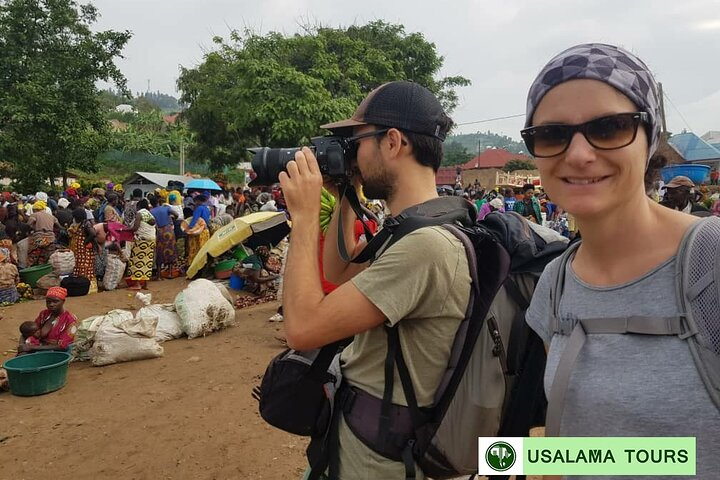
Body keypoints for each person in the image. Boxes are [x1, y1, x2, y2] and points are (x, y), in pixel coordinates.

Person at [521, 43, 720, 478]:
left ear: (650, 139)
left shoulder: (711, 265)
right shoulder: (555, 284)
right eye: (552, 134)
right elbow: (591, 447)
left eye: (610, 127)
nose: (577, 154)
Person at [279, 80, 470, 478]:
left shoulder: (425, 246)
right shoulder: (419, 225)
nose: (351, 153)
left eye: (357, 141)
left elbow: (302, 328)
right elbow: (338, 274)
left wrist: (304, 217)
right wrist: (345, 195)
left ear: (393, 142)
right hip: (369, 444)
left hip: (384, 462)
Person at [17, 286, 76, 354]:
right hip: (39, 347)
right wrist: (22, 346)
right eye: (48, 302)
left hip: (57, 353)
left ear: (63, 301)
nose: (51, 304)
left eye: (55, 301)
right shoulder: (44, 314)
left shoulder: (70, 319)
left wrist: (31, 347)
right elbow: (28, 331)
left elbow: (63, 346)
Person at [126, 199, 156, 290]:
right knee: (147, 263)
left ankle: (137, 284)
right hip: (151, 240)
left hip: (141, 241)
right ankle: (145, 284)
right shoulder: (149, 214)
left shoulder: (140, 214)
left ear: (138, 206)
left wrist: (125, 230)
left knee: (136, 261)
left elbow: (135, 228)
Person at [68, 207, 98, 293]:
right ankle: (80, 288)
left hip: (84, 250)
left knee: (85, 267)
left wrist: (85, 242)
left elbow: (93, 233)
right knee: (79, 267)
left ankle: (89, 288)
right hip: (79, 251)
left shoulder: (86, 223)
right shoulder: (80, 223)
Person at [149, 196, 180, 278]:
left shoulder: (151, 211)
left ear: (151, 203)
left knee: (159, 252)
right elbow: (176, 214)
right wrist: (173, 220)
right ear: (158, 201)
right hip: (169, 230)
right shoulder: (166, 208)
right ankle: (170, 273)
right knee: (170, 250)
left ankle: (159, 275)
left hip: (159, 231)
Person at [27, 200, 60, 266]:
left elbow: (28, 225)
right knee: (47, 256)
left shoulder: (34, 215)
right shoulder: (51, 216)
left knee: (33, 255)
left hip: (39, 239)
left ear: (36, 209)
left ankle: (31, 267)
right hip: (51, 239)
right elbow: (58, 226)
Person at [182, 194, 211, 266]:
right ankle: (203, 265)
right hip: (206, 231)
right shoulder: (207, 208)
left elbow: (194, 219)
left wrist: (188, 228)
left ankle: (194, 266)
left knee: (194, 250)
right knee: (203, 250)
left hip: (198, 232)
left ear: (198, 201)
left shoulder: (199, 208)